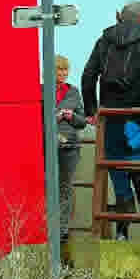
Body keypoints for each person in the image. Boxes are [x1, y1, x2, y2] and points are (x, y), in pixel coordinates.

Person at [81, 0, 140, 241]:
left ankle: (122, 234)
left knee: (118, 176)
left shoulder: (104, 42)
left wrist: (92, 110)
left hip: (112, 119)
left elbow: (88, 76)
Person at [50, 55, 87, 253]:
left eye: (65, 70)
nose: (63, 73)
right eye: (59, 69)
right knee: (48, 187)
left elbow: (82, 121)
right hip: (48, 146)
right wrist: (53, 118)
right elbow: (35, 117)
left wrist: (72, 116)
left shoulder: (73, 92)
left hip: (69, 146)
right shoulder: (41, 90)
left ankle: (62, 230)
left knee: (65, 187)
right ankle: (47, 228)